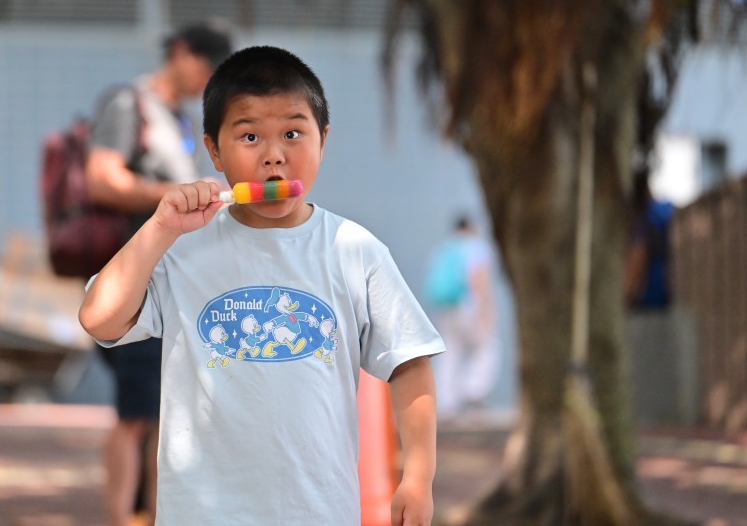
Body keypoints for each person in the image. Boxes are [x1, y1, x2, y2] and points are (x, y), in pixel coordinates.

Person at [80, 45, 444, 526]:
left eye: (293, 133)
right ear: (213, 150)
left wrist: (417, 477)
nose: (275, 157)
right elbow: (99, 317)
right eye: (249, 136)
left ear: (323, 139)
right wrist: (159, 227)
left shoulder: (354, 249)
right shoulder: (182, 248)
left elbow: (409, 362)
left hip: (318, 512)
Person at [84, 20, 232, 526]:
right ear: (180, 53)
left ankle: (148, 513)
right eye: (206, 66)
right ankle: (119, 514)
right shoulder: (130, 104)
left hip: (172, 278)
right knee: (134, 414)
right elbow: (102, 178)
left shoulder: (179, 117)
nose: (206, 80)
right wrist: (169, 201)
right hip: (135, 278)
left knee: (160, 410)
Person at [425, 216, 500, 422]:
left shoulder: (443, 249)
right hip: (469, 308)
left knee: (450, 354)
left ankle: (447, 403)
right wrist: (486, 310)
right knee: (487, 348)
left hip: (446, 309)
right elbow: (479, 279)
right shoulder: (475, 247)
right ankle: (473, 392)